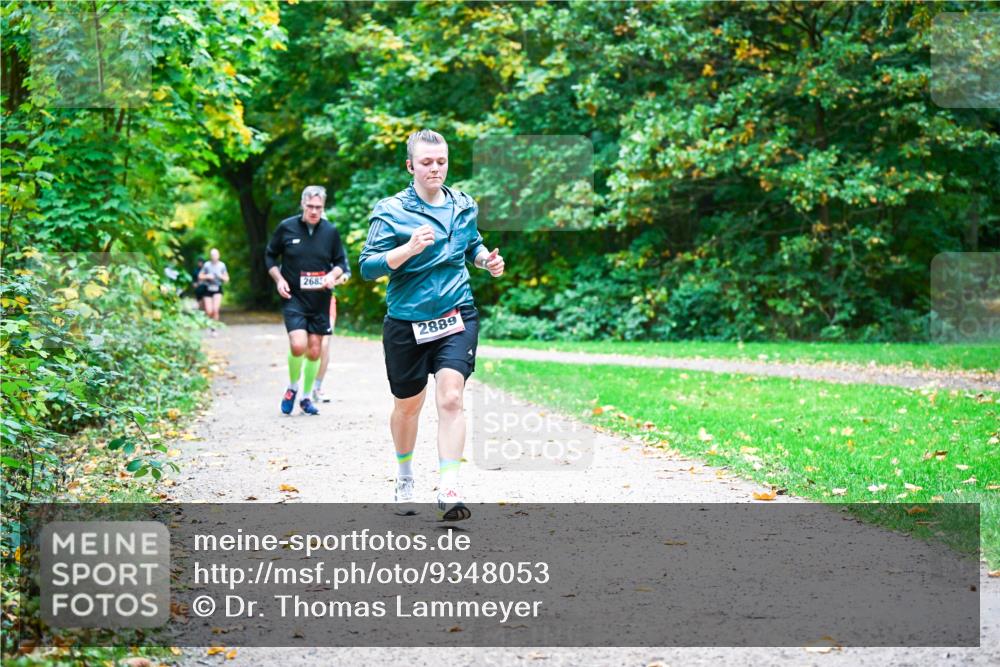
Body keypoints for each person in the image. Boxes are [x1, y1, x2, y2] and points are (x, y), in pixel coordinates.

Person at [360, 129, 505, 521]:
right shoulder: (390, 210)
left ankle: (449, 487)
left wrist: (485, 260)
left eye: (441, 161)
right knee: (408, 407)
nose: (435, 168)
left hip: (456, 314)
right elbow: (367, 266)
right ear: (410, 166)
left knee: (451, 398)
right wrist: (407, 249)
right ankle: (405, 476)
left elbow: (472, 244)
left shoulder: (463, 204)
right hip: (406, 322)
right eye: (426, 162)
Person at [265, 185, 350, 416]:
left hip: (320, 300)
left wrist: (331, 276)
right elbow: (270, 256)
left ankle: (305, 396)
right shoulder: (287, 227)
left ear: (323, 207)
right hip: (294, 297)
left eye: (318, 207)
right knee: (298, 344)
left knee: (314, 351)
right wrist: (279, 279)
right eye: (310, 206)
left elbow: (341, 263)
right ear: (303, 204)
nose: (314, 211)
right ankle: (292, 387)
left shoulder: (330, 231)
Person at [311, 288, 343, 404]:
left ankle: (317, 388)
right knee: (310, 346)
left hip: (327, 301)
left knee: (324, 344)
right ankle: (302, 387)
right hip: (306, 300)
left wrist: (336, 279)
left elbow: (343, 277)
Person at [198, 248, 229, 334]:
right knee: (209, 311)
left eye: (215, 255)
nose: (214, 256)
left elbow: (227, 279)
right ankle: (209, 324)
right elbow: (200, 276)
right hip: (207, 289)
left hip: (217, 289)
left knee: (215, 310)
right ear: (210, 256)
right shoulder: (207, 265)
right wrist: (207, 276)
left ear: (219, 255)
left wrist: (220, 276)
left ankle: (214, 329)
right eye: (212, 255)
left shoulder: (222, 265)